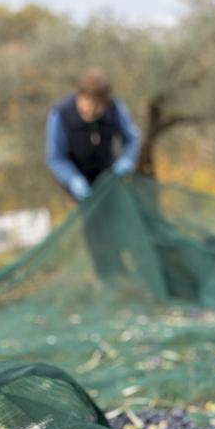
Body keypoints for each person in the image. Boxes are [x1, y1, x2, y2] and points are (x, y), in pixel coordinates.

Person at [45, 68, 141, 279]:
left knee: (124, 223)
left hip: (109, 176)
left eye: (97, 106)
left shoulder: (115, 108)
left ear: (106, 103)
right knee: (96, 230)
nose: (91, 110)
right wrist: (73, 180)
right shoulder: (60, 114)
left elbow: (132, 138)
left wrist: (126, 161)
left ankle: (134, 275)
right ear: (79, 96)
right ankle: (110, 280)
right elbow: (55, 158)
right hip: (78, 181)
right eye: (87, 103)